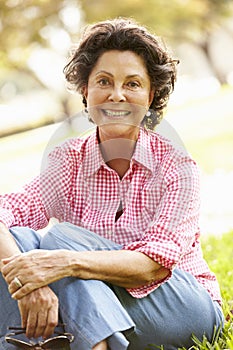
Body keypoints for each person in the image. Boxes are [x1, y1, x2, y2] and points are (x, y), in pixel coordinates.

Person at [0, 18, 224, 350]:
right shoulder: (68, 161)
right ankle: (91, 343)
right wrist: (30, 282)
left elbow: (150, 267)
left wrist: (63, 261)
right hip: (106, 308)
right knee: (17, 241)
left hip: (182, 306)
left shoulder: (177, 168)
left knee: (60, 242)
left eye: (132, 84)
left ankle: (45, 339)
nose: (117, 95)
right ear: (86, 92)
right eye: (104, 81)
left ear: (151, 95)